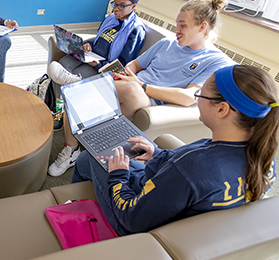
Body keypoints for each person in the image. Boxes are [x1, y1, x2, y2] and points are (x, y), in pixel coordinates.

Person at [72, 65, 278, 235]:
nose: (197, 100)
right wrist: (158, 154)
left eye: (200, 95)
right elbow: (180, 177)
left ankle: (73, 212)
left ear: (222, 109)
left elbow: (132, 219)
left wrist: (117, 176)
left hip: (131, 225)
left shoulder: (191, 167)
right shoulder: (264, 159)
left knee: (91, 156)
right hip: (167, 203)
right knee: (94, 158)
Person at [48, 0, 234, 177]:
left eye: (183, 25)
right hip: (131, 85)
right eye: (177, 23)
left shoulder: (215, 61)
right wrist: (125, 73)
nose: (176, 30)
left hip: (152, 99)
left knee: (125, 89)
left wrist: (141, 85)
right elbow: (134, 65)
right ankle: (71, 150)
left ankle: (79, 83)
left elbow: (188, 97)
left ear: (202, 27)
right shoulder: (168, 43)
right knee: (78, 98)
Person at [48, 0, 146, 87]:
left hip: (102, 68)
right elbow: (99, 38)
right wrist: (89, 43)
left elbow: (124, 64)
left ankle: (71, 89)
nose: (116, 9)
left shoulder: (136, 30)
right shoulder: (111, 19)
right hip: (90, 55)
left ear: (133, 6)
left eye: (122, 6)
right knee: (62, 64)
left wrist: (99, 65)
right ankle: (54, 101)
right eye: (115, 4)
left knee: (69, 75)